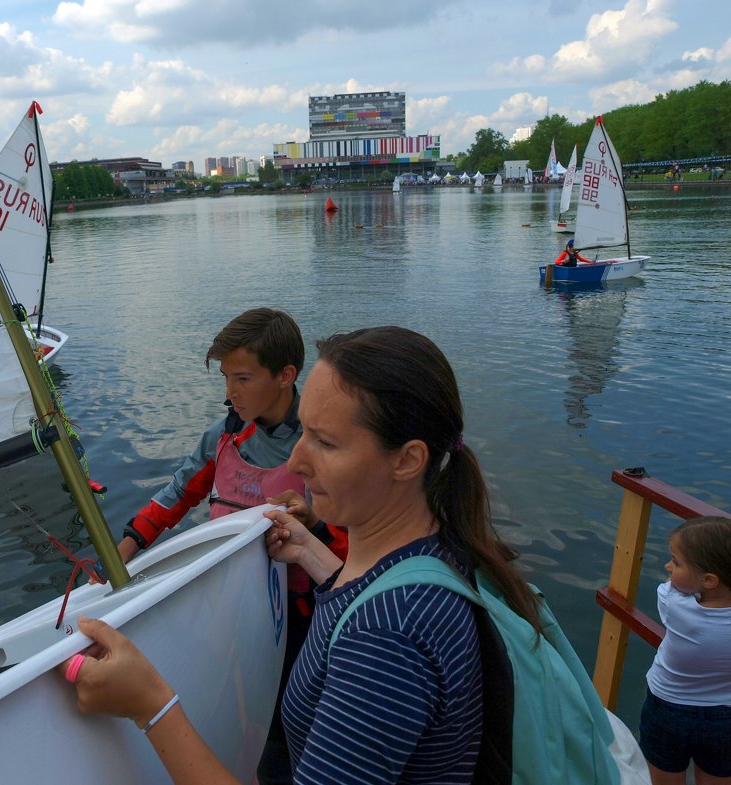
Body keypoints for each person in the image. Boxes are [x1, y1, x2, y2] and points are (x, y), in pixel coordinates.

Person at [60, 326, 544, 785]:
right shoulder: (445, 550)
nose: (294, 462)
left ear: (407, 460)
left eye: (325, 443)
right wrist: (314, 554)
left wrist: (151, 704)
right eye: (305, 432)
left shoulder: (385, 639)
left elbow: (386, 638)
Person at [114, 306, 346, 785]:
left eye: (242, 378)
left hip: (305, 622)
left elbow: (353, 548)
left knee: (291, 730)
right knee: (248, 727)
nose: (230, 393)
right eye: (225, 378)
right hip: (233, 617)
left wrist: (315, 523)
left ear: (287, 376)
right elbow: (173, 498)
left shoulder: (320, 445)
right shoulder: (223, 438)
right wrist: (120, 556)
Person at [639, 516, 731, 785]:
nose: (668, 567)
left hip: (667, 710)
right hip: (725, 718)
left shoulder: (673, 603)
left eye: (676, 562)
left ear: (708, 580)